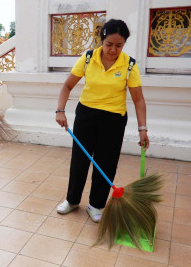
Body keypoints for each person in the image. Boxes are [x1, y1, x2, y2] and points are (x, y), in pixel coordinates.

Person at [55, 19, 149, 223]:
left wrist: (143, 129)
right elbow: (67, 86)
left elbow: (138, 99)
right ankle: (72, 200)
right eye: (109, 44)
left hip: (113, 120)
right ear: (101, 40)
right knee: (80, 159)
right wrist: (60, 110)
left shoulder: (130, 64)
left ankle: (96, 204)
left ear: (124, 44)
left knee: (105, 163)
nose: (113, 49)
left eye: (119, 45)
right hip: (86, 115)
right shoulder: (88, 58)